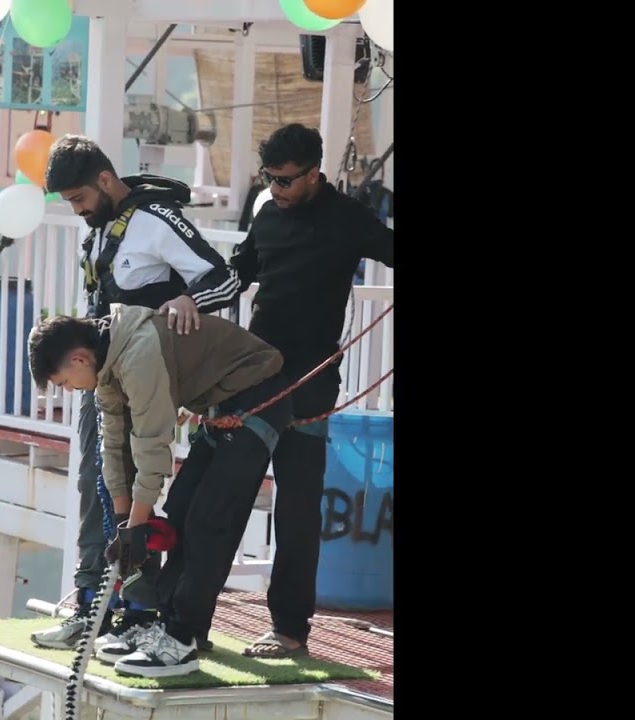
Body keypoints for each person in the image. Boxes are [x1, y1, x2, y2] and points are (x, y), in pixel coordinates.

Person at [28, 135, 240, 652]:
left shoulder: (155, 219)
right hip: (102, 379)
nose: (77, 210)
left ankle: (138, 611)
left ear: (104, 180)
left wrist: (187, 300)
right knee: (94, 485)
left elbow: (225, 278)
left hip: (144, 378)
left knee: (140, 493)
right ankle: (91, 606)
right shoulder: (101, 230)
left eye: (79, 198)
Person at [27, 304, 292, 677]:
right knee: (180, 511)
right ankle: (175, 628)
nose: (69, 391)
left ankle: (180, 640)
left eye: (64, 382)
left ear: (79, 359)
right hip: (223, 403)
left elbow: (152, 444)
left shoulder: (137, 354)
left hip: (261, 397)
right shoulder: (106, 366)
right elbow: (115, 447)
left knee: (209, 520)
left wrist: (138, 527)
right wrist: (125, 522)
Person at [230, 124, 395, 658]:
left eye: (284, 181)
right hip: (254, 376)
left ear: (315, 174)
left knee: (298, 509)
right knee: (223, 496)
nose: (275, 190)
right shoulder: (265, 212)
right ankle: (186, 620)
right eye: (269, 179)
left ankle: (289, 631)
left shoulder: (348, 219)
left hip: (312, 383)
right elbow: (242, 270)